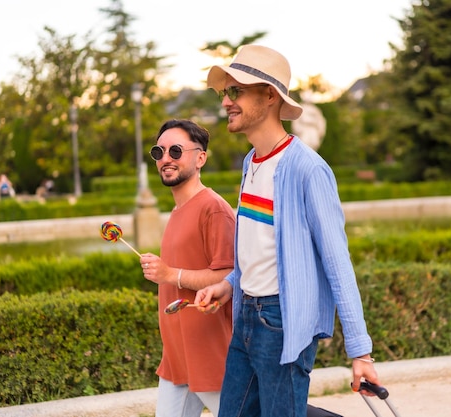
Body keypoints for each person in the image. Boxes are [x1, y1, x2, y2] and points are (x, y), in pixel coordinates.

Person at [196, 45, 381, 416]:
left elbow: (337, 262)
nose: (226, 103)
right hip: (245, 314)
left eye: (236, 92)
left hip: (280, 322)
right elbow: (259, 249)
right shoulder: (251, 162)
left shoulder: (307, 170)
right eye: (224, 93)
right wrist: (228, 284)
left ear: (268, 95)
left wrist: (360, 352)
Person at [139, 119, 235, 417]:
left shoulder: (214, 209)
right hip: (177, 357)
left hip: (211, 355)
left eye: (176, 151)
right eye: (159, 152)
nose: (166, 159)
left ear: (200, 157)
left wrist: (170, 275)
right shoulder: (179, 210)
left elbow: (229, 277)